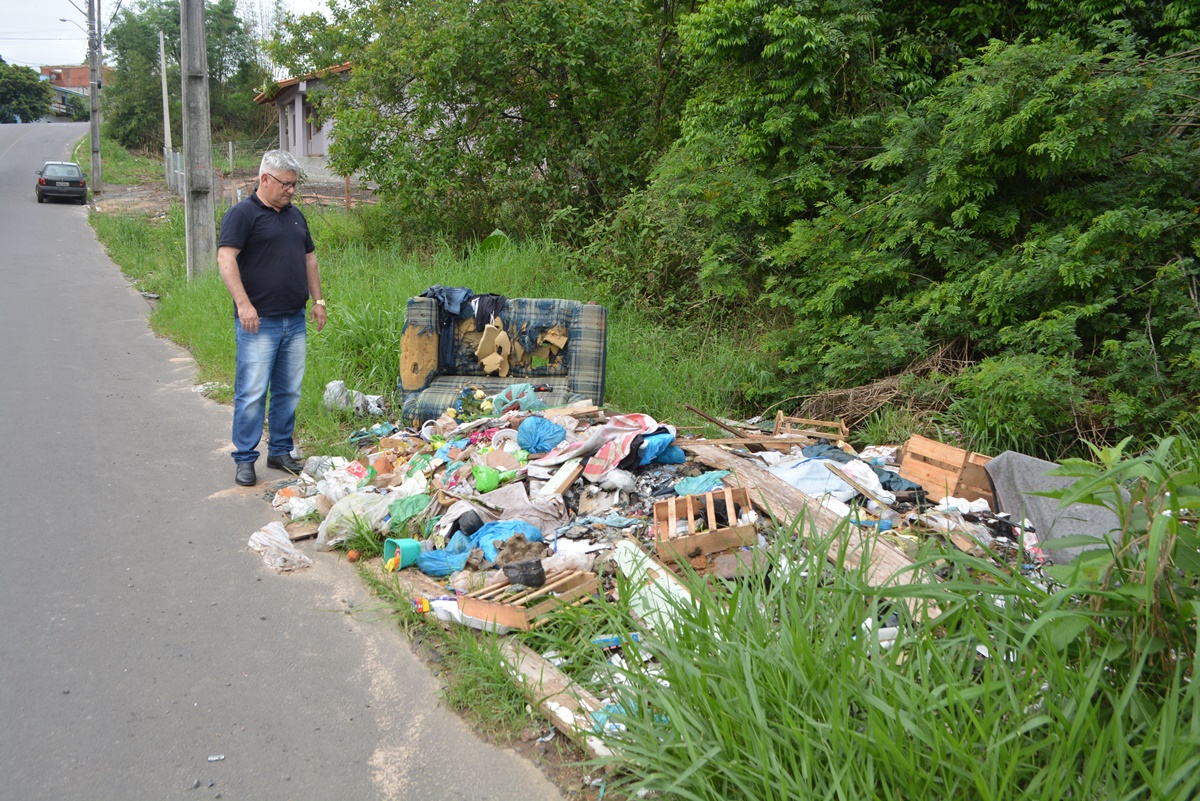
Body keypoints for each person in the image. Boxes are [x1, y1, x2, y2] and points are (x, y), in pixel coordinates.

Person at [217, 150, 327, 487]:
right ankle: (245, 458)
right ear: (265, 179)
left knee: (288, 391)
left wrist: (318, 300)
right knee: (252, 392)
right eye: (286, 184)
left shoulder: (295, 216)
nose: (291, 190)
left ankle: (280, 451)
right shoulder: (242, 214)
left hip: (294, 319)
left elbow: (309, 260)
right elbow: (226, 259)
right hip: (258, 322)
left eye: (294, 185)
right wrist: (243, 305)